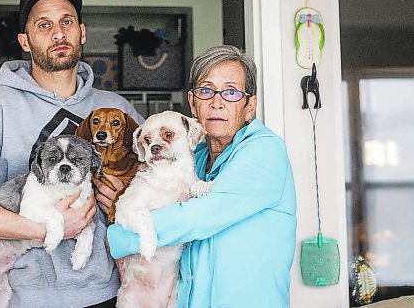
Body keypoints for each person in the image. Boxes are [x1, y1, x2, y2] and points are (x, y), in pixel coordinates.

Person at [0, 0, 143, 308]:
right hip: (22, 297)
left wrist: (126, 194)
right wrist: (41, 228)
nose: (58, 33)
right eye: (44, 25)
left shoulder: (117, 111)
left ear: (82, 32)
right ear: (24, 41)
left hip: (107, 293)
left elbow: (161, 183)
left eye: (66, 22)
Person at [103, 45, 297, 307]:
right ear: (193, 103)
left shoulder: (265, 149)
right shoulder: (196, 156)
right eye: (206, 91)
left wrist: (118, 237)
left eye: (230, 91)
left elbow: (198, 217)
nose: (217, 102)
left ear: (250, 106)